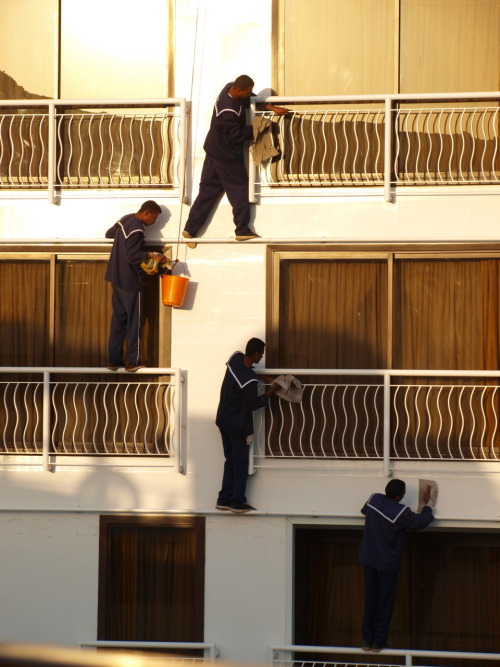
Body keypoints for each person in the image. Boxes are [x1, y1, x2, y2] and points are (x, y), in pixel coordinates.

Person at [182, 75, 289, 244]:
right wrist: (256, 127)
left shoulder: (228, 88)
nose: (249, 95)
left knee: (208, 190)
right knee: (239, 189)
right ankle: (242, 229)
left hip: (213, 150)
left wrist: (269, 106)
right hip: (226, 156)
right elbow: (235, 137)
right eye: (246, 92)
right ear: (238, 90)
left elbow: (249, 100)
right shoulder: (229, 111)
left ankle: (190, 229)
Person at [359, 479, 435, 652]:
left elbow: (365, 511)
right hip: (387, 564)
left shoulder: (374, 499)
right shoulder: (401, 512)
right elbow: (420, 523)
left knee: (370, 600)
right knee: (384, 603)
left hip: (369, 560)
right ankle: (378, 642)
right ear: (399, 496)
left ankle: (366, 640)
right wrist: (427, 504)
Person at [215, 338, 279, 513]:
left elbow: (246, 370)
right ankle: (237, 501)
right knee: (241, 463)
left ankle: (223, 499)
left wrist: (263, 377)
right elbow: (255, 404)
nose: (262, 356)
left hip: (223, 420)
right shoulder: (249, 382)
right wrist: (271, 390)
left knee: (230, 460)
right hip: (238, 426)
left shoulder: (235, 359)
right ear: (256, 354)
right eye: (262, 353)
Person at [105, 200, 168, 372]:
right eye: (153, 218)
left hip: (115, 278)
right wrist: (152, 256)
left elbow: (109, 234)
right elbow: (132, 255)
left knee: (119, 320)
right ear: (147, 213)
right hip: (131, 282)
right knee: (135, 321)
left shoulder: (125, 220)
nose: (153, 222)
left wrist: (122, 244)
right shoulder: (138, 228)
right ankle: (132, 361)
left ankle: (113, 360)